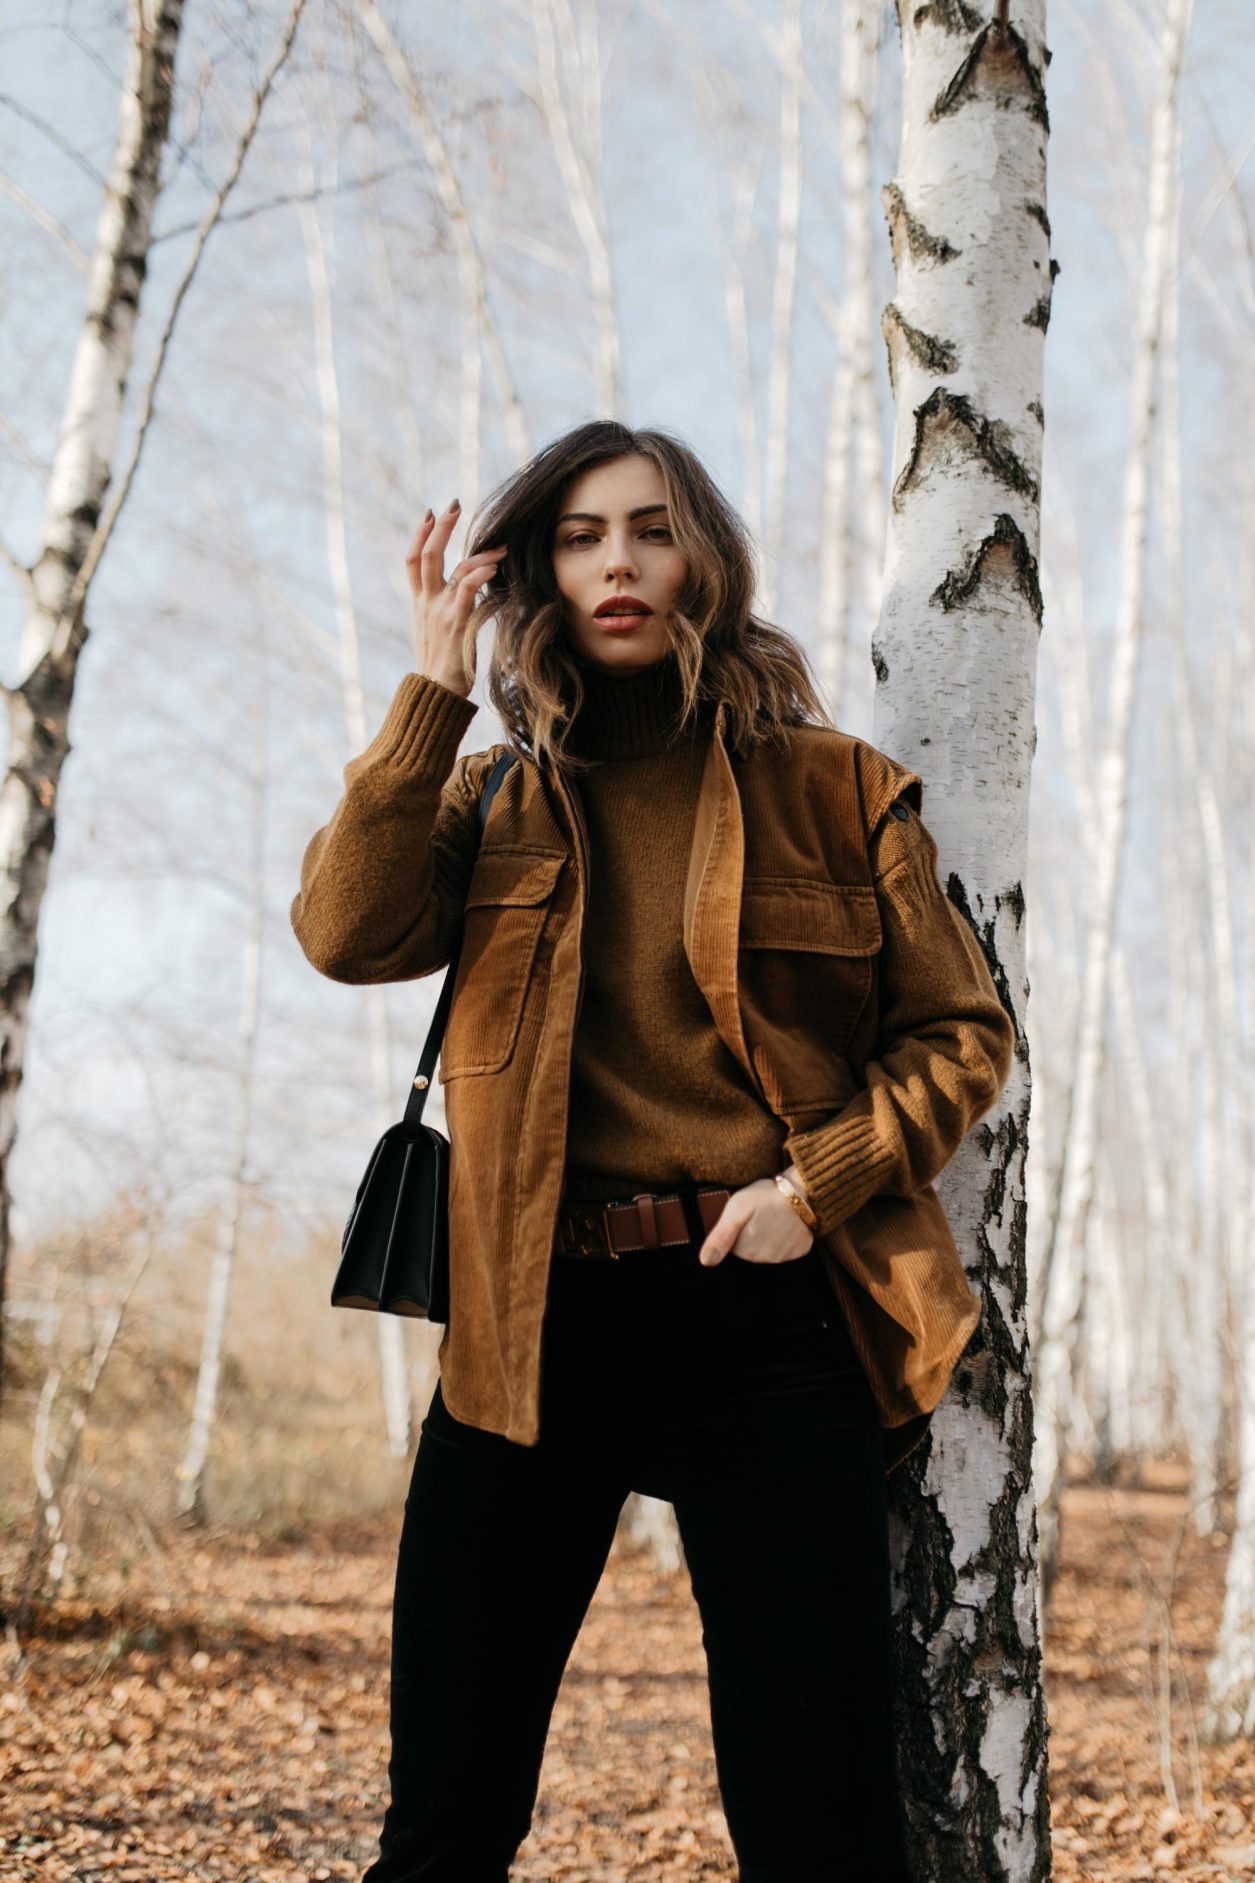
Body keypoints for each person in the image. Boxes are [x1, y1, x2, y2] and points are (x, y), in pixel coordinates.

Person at [290, 419, 1015, 1883]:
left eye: (650, 528)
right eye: (578, 535)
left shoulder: (836, 787)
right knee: (445, 1816)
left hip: (758, 1312)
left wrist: (814, 1192)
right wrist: (432, 694)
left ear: (704, 559)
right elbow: (344, 932)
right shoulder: (490, 795)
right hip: (522, 1327)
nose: (616, 561)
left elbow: (960, 1033)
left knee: (817, 1823)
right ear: (536, 573)